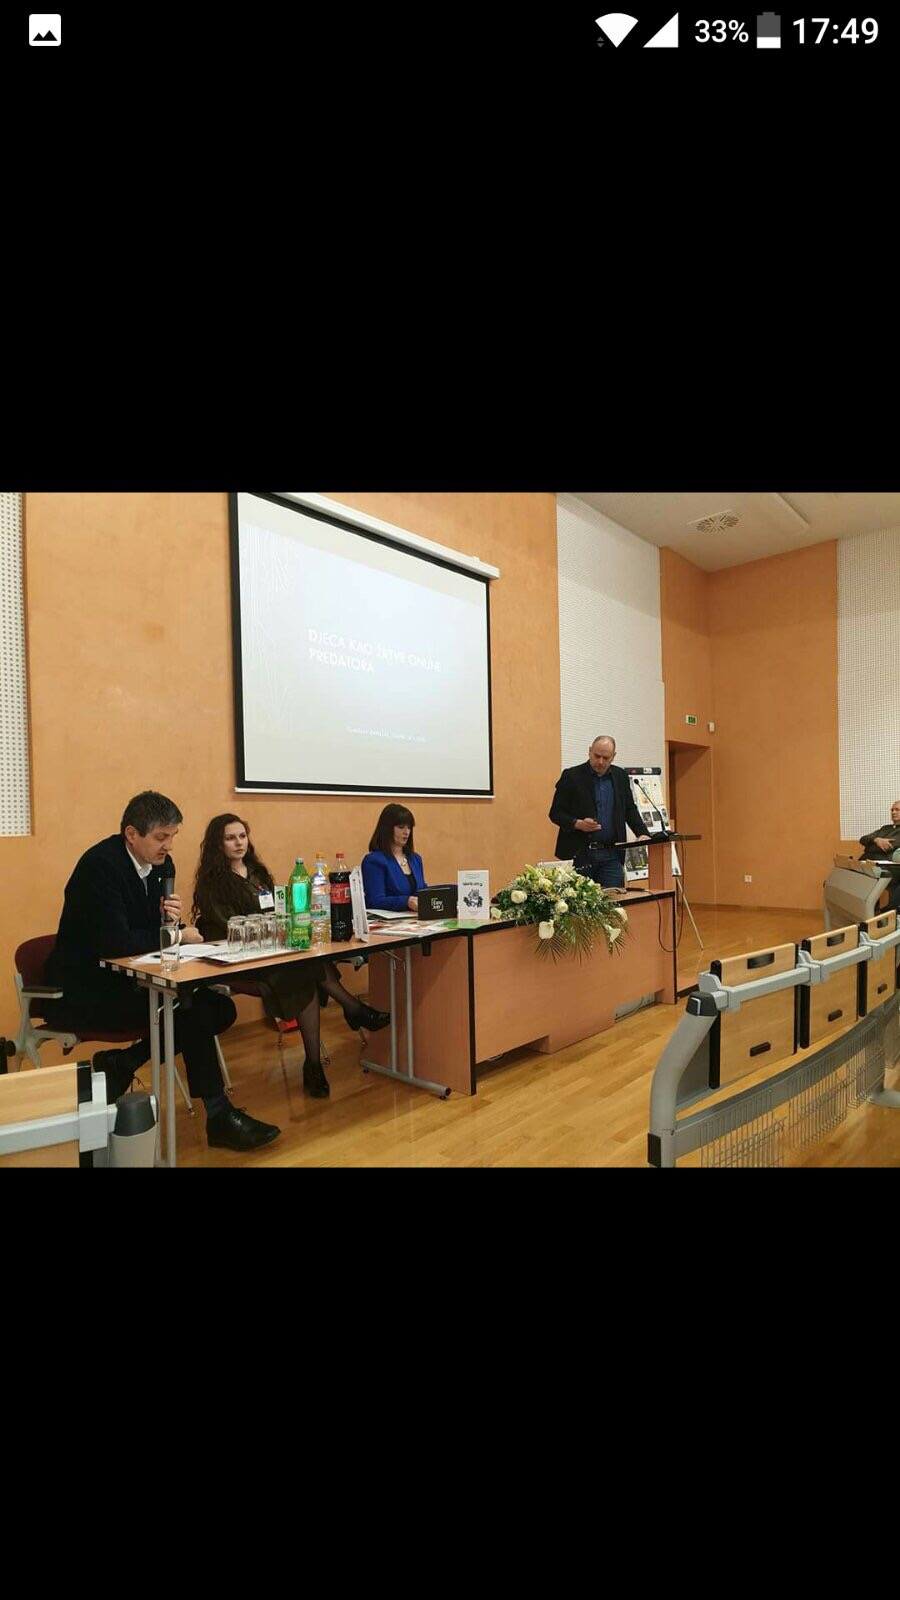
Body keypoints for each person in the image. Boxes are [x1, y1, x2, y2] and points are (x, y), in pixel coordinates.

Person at [44, 791, 281, 1152]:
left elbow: (146, 931)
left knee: (218, 1008)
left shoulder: (161, 867)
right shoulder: (100, 867)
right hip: (88, 988)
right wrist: (175, 934)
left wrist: (169, 922)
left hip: (135, 979)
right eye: (160, 837)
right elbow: (115, 942)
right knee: (191, 1012)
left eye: (172, 836)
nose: (169, 846)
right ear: (131, 834)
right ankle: (219, 1115)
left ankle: (126, 1061)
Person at [192, 814, 390, 1098]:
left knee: (307, 963)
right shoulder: (212, 882)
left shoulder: (257, 872)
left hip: (275, 951)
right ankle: (351, 1011)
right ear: (218, 844)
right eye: (230, 838)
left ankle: (316, 1062)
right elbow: (228, 926)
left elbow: (279, 909)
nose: (238, 843)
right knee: (306, 971)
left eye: (242, 836)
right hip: (242, 958)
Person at [549, 735, 651, 890]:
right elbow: (556, 812)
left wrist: (642, 833)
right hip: (579, 854)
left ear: (613, 756)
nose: (601, 762)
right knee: (581, 901)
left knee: (614, 901)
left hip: (612, 855)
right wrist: (577, 824)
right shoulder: (572, 776)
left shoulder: (620, 776)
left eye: (606, 758)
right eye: (597, 756)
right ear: (590, 751)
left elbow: (629, 809)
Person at [362, 803, 428, 912]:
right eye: (401, 827)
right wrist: (406, 902)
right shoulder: (374, 861)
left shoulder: (415, 859)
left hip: (416, 918)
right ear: (387, 828)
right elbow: (374, 900)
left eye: (409, 827)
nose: (406, 832)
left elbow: (422, 891)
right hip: (390, 919)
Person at [859, 800, 900, 912]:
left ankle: (882, 912)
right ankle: (870, 912)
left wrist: (870, 846)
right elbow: (863, 839)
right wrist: (876, 840)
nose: (893, 812)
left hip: (889, 868)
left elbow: (890, 847)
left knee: (869, 878)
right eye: (892, 810)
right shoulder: (885, 828)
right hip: (871, 864)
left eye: (897, 810)